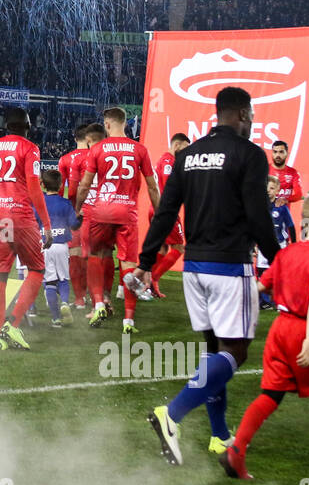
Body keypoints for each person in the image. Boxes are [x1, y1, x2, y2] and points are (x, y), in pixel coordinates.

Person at [134, 86, 282, 463]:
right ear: (244, 114)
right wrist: (278, 260)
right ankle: (173, 413)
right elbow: (257, 214)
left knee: (214, 350)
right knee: (236, 351)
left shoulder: (189, 155)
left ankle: (219, 435)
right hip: (230, 266)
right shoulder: (249, 154)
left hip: (194, 269)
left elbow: (165, 212)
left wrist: (146, 260)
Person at [218, 193, 309, 480]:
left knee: (270, 395)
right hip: (305, 328)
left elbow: (260, 287)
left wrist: (229, 302)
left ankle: (237, 450)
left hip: (279, 329)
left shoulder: (286, 253)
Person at [73, 107, 158, 333]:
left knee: (96, 255)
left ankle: (99, 303)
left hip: (101, 212)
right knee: (129, 265)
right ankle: (128, 321)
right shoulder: (139, 149)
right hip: (127, 213)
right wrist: (159, 214)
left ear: (107, 125)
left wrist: (79, 207)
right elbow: (152, 186)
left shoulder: (98, 148)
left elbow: (85, 184)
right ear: (125, 123)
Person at [0, 107, 52, 352]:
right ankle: (13, 323)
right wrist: (47, 225)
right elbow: (34, 188)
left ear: (6, 125)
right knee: (37, 269)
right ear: (27, 126)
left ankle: (0, 335)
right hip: (19, 216)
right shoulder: (30, 148)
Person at [148, 133, 190, 299]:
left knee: (162, 248)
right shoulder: (169, 162)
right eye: (185, 148)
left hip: (157, 209)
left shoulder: (166, 160)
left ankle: (150, 283)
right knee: (179, 247)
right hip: (166, 210)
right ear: (177, 145)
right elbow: (167, 184)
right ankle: (153, 279)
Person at [57, 125, 92, 314]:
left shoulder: (65, 159)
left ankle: (79, 299)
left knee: (76, 257)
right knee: (95, 257)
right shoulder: (97, 155)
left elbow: (60, 190)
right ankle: (100, 300)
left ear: (74, 137)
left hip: (74, 214)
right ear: (89, 138)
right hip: (96, 212)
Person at [39, 169, 76, 328]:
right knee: (63, 279)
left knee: (49, 282)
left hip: (45, 245)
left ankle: (55, 319)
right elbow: (74, 224)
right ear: (61, 184)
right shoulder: (66, 203)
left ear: (43, 184)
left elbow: (33, 221)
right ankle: (65, 302)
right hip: (61, 245)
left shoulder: (39, 202)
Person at [257, 175, 296, 310]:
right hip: (263, 243)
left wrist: (294, 243)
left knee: (280, 272)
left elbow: (290, 225)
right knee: (262, 271)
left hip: (280, 243)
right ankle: (264, 301)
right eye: (266, 188)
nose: (268, 191)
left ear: (278, 190)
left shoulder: (282, 207)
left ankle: (280, 299)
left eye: (272, 188)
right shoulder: (259, 206)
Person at [269, 139, 303, 207]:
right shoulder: (265, 169)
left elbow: (299, 195)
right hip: (265, 212)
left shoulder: (293, 173)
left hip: (283, 214)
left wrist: (285, 200)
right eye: (275, 152)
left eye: (281, 152)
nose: (277, 155)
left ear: (287, 154)